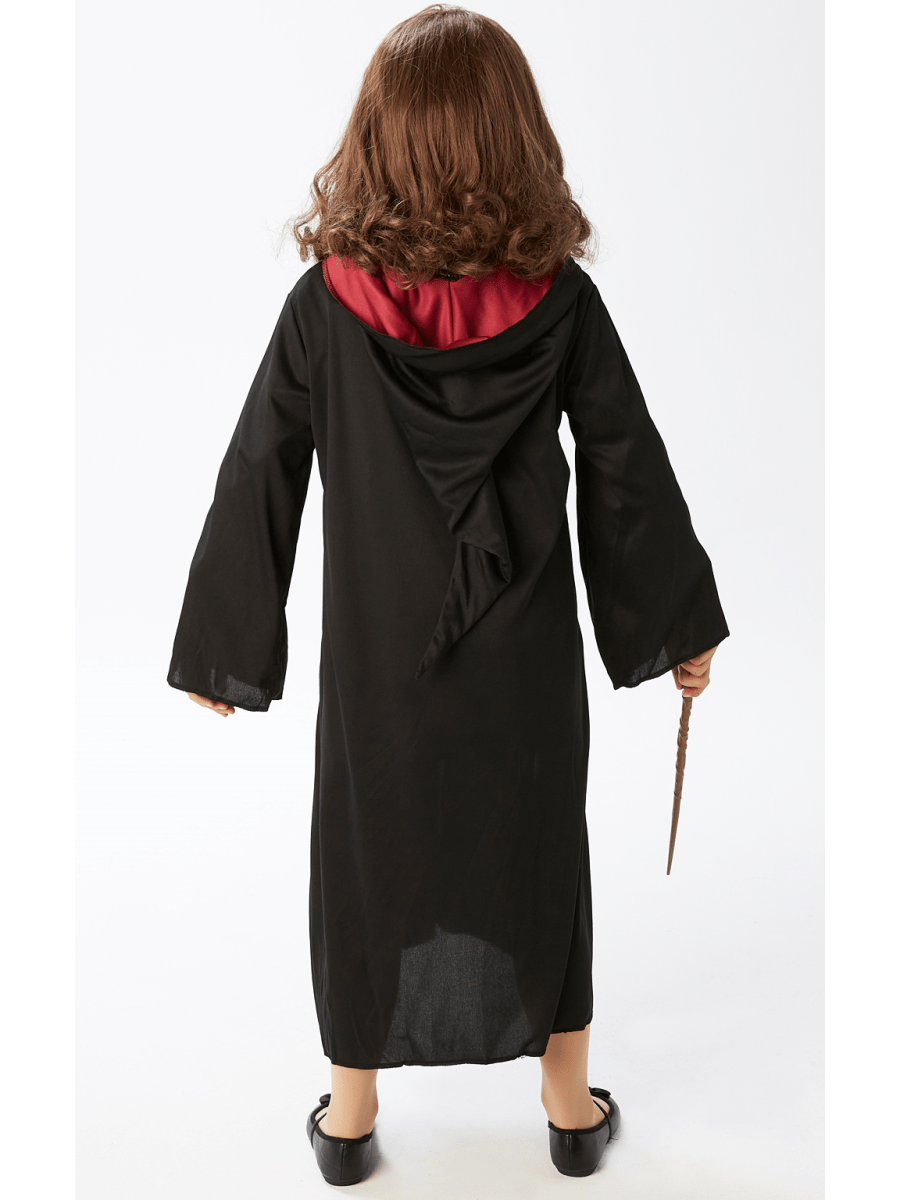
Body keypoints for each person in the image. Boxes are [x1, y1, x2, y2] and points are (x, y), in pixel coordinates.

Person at [166, 4, 729, 1185]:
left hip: (377, 664)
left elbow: (261, 466)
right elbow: (625, 466)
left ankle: (351, 1115)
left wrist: (227, 643)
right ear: (515, 137)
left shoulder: (324, 310)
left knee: (368, 851)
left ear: (378, 138)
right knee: (537, 848)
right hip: (523, 660)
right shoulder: (560, 303)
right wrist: (674, 625)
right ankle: (568, 1105)